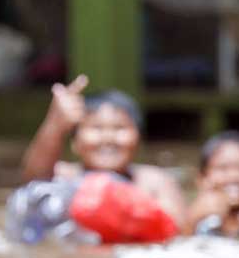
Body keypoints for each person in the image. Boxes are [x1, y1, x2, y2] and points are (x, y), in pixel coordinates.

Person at [20, 74, 186, 229]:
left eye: (119, 128)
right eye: (96, 128)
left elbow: (177, 227)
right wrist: (55, 123)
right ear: (75, 143)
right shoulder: (64, 176)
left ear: (138, 140)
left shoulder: (153, 182)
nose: (108, 138)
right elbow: (34, 181)